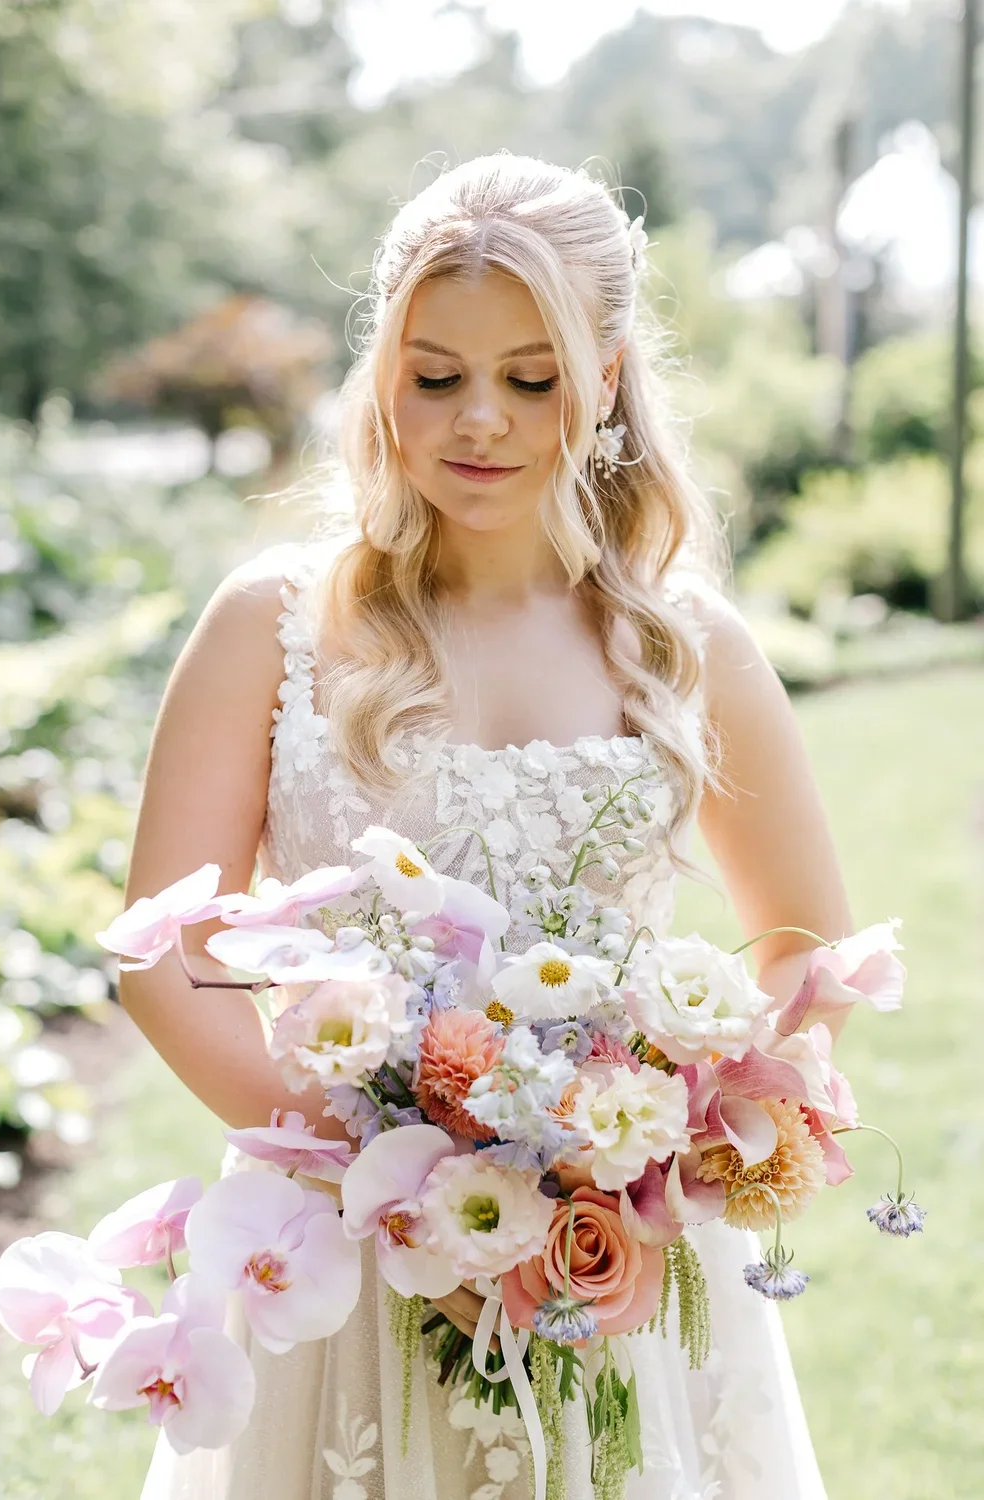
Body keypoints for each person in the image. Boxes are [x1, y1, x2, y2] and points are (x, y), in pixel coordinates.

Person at [125, 154, 850, 1499]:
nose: (481, 421)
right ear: (381, 370)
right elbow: (161, 958)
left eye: (532, 378)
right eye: (434, 373)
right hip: (337, 1257)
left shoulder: (686, 647)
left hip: (615, 1266)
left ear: (611, 375)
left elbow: (810, 957)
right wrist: (390, 1191)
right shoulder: (271, 626)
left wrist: (633, 1172)